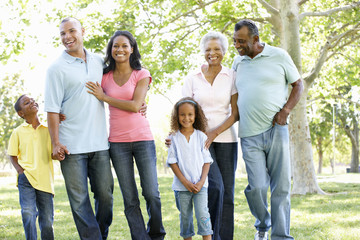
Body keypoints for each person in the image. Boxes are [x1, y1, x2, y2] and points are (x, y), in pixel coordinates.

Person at [86, 30, 166, 240]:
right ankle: (140, 237)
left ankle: (156, 234)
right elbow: (85, 94)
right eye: (115, 46)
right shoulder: (104, 76)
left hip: (142, 139)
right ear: (110, 50)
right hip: (117, 143)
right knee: (130, 198)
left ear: (132, 49)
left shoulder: (142, 74)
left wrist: (105, 98)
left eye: (124, 45)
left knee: (152, 193)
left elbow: (135, 105)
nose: (119, 49)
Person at [232, 19, 304, 240]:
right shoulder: (238, 62)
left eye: (241, 41)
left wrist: (286, 111)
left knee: (281, 187)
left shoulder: (279, 55)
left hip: (276, 130)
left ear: (256, 39)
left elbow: (298, 84)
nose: (237, 46)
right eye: (235, 41)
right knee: (257, 187)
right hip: (249, 134)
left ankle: (280, 236)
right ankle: (263, 225)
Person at [44, 17, 114, 240]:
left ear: (82, 31)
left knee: (106, 197)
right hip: (71, 146)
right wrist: (55, 143)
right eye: (63, 34)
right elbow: (52, 109)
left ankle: (99, 235)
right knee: (79, 200)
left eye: (71, 31)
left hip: (99, 143)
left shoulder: (98, 61)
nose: (67, 37)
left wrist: (139, 100)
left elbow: (117, 84)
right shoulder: (56, 68)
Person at [181, 31, 239, 240]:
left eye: (216, 49)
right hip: (201, 142)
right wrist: (176, 135)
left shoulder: (231, 75)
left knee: (228, 193)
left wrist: (214, 132)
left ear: (224, 51)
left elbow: (235, 113)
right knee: (214, 187)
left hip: (226, 140)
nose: (212, 53)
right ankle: (212, 236)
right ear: (203, 52)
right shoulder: (192, 78)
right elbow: (183, 110)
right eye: (208, 50)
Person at [8, 95, 55, 240]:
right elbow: (12, 155)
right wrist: (20, 171)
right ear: (21, 113)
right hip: (26, 179)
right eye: (27, 103)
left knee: (47, 221)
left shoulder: (48, 130)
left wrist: (60, 121)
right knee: (28, 213)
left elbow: (54, 152)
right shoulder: (18, 132)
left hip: (45, 180)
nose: (32, 103)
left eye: (32, 101)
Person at [166, 97, 213, 240]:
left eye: (190, 114)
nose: (186, 118)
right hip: (182, 188)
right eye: (182, 114)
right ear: (177, 116)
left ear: (195, 116)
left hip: (201, 186)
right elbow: (172, 162)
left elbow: (207, 161)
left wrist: (201, 182)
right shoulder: (173, 138)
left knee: (203, 215)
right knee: (185, 218)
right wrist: (185, 183)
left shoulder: (201, 136)